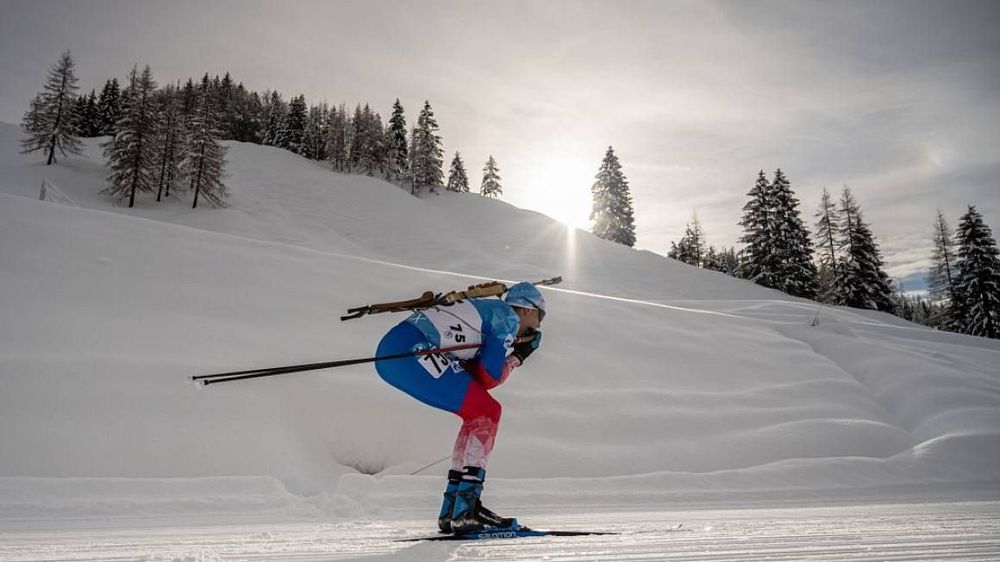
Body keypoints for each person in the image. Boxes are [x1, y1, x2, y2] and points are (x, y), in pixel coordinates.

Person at [374, 281, 545, 534]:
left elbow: (477, 383)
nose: (537, 327)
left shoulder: (487, 311)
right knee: (488, 412)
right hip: (411, 350)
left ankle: (453, 510)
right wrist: (518, 357)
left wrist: (510, 356)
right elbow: (489, 377)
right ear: (528, 310)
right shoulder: (507, 315)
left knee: (478, 413)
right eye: (539, 319)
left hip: (398, 350)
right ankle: (465, 510)